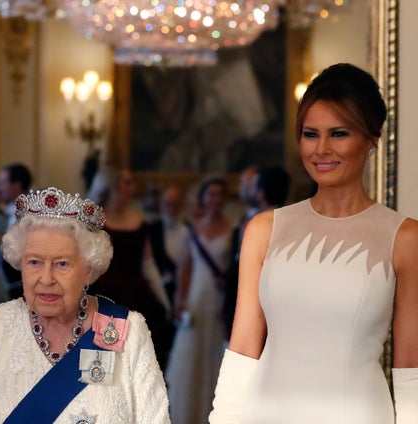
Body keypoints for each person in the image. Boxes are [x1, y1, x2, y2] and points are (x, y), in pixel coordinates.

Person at [210, 63, 418, 423]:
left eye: (338, 133)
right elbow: (243, 347)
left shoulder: (405, 237)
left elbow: (411, 363)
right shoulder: (264, 229)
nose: (322, 149)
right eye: (310, 134)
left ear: (371, 139)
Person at [0, 187, 170, 423]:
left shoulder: (127, 330)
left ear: (87, 270)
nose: (46, 278)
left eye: (62, 264)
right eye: (34, 262)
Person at [86, 167, 173, 369]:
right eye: (127, 182)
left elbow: (148, 264)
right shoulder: (94, 223)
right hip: (103, 298)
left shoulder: (138, 221)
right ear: (111, 186)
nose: (133, 188)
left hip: (136, 297)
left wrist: (163, 299)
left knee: (133, 364)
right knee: (101, 365)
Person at [165, 176, 234, 424]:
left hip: (219, 302)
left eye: (219, 194)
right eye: (211, 194)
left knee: (217, 360)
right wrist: (179, 300)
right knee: (190, 360)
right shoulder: (192, 229)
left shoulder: (233, 229)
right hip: (196, 301)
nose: (215, 199)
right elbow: (185, 268)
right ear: (203, 198)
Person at [223, 165, 290, 339]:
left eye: (252, 185)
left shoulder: (255, 226)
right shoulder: (294, 223)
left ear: (261, 193)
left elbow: (240, 274)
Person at [0, 162, 33, 301]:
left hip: (21, 286)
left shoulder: (28, 214)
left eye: (2, 183)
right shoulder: (6, 211)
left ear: (17, 185)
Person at [148, 185, 190, 302]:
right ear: (161, 205)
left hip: (183, 287)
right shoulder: (152, 230)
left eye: (175, 204)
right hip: (159, 287)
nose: (171, 208)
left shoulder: (188, 230)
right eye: (168, 204)